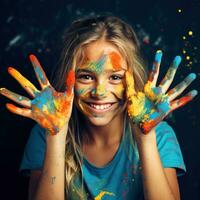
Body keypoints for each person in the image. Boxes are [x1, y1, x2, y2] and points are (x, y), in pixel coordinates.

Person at [0, 15, 198, 200]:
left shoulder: (159, 135)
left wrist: (145, 139)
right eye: (86, 76)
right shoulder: (45, 134)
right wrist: (56, 136)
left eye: (115, 77)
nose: (100, 91)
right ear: (69, 78)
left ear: (133, 80)